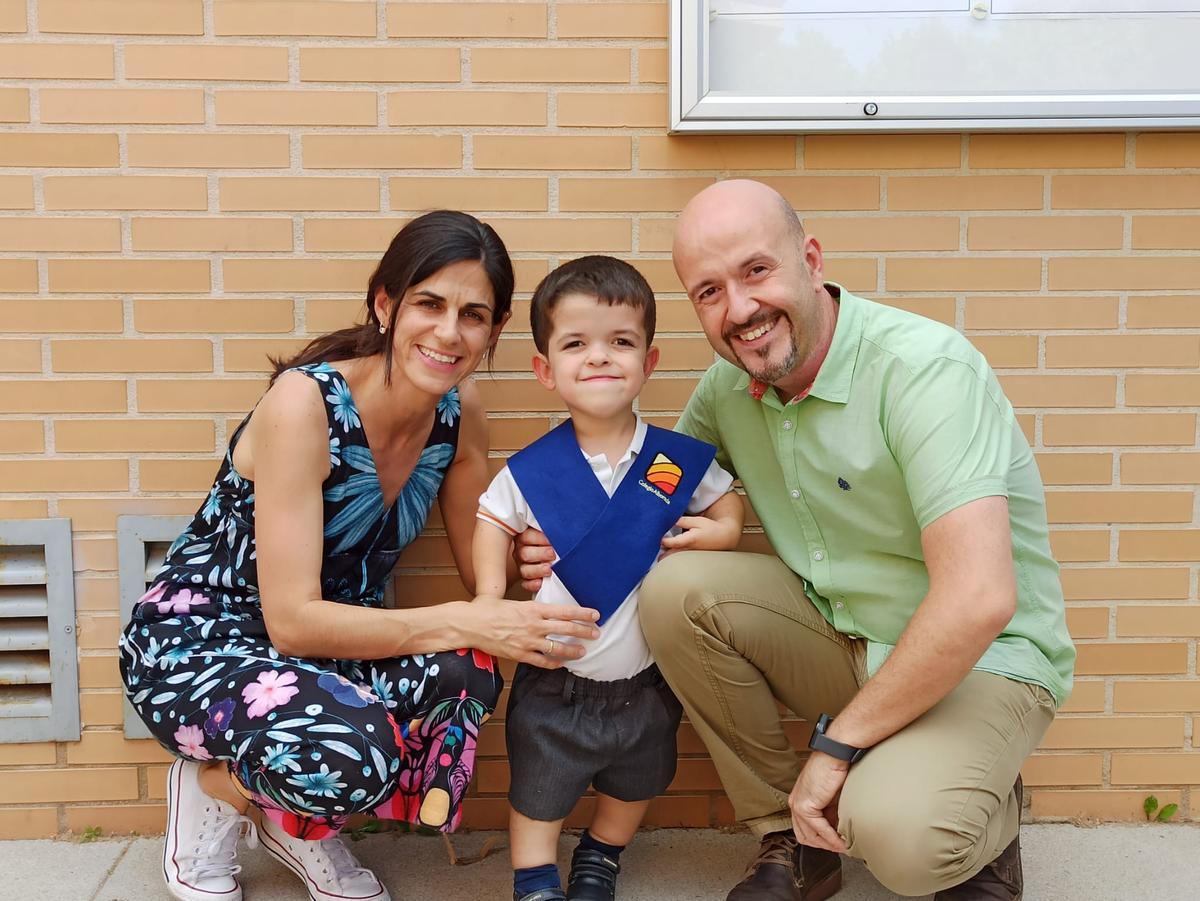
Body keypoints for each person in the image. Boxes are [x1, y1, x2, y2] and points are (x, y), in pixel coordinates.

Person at [518, 181, 1075, 901]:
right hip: (839, 634)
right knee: (676, 591)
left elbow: (979, 599)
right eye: (709, 291)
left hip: (981, 660)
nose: (740, 310)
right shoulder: (726, 389)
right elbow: (643, 502)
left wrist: (836, 747)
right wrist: (555, 540)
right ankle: (791, 835)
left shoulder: (924, 370)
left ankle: (984, 810)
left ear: (810, 259)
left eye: (756, 271)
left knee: (904, 845)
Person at [118, 211, 603, 901]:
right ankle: (216, 787)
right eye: (429, 303)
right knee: (357, 752)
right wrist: (469, 620)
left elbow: (479, 573)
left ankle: (295, 817)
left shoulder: (461, 411)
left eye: (473, 314)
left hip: (330, 653)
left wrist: (526, 558)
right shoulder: (304, 405)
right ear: (385, 304)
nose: (448, 331)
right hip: (202, 647)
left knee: (470, 670)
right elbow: (290, 622)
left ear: (493, 333)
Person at [473, 256, 744, 901]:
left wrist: (724, 531)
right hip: (554, 675)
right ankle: (534, 878)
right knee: (539, 787)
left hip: (646, 677)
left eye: (621, 342)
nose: (599, 358)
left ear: (649, 362)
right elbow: (491, 517)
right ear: (545, 370)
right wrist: (488, 597)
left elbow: (725, 497)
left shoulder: (672, 461)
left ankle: (601, 854)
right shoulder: (533, 470)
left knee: (637, 781)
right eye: (576, 344)